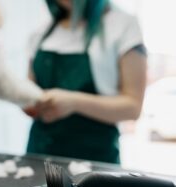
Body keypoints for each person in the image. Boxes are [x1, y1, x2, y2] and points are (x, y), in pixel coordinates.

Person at [25, 0, 147, 164]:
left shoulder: (123, 26)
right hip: (39, 154)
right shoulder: (40, 33)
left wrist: (74, 102)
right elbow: (29, 90)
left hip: (94, 159)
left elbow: (132, 108)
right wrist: (29, 103)